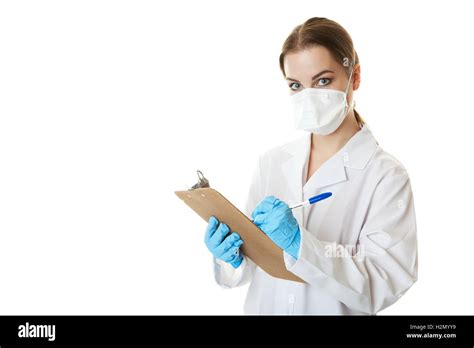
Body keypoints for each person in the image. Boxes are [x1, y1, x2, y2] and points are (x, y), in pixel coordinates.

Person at [204, 17, 418, 315]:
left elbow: (384, 282)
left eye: (323, 81)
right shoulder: (272, 163)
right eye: (296, 85)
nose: (309, 96)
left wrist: (300, 244)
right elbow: (249, 268)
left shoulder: (385, 176)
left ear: (354, 77)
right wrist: (231, 255)